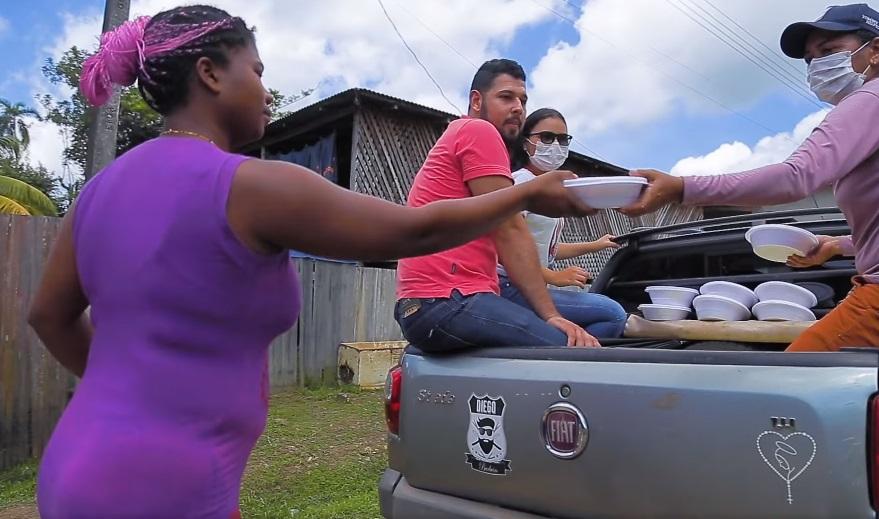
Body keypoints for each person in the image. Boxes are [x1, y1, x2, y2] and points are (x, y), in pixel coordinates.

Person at [26, 7, 595, 518]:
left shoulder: (97, 192)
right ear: (209, 73)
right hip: (164, 486)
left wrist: (128, 391)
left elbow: (47, 316)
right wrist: (525, 192)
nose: (267, 92)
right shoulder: (250, 187)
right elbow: (411, 230)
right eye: (258, 71)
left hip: (80, 464)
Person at [620, 3, 879, 353]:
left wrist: (681, 188)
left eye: (829, 51)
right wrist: (838, 245)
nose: (817, 65)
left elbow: (796, 177)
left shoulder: (868, 100)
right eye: (809, 58)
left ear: (875, 50)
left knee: (792, 383)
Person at [395, 59, 601, 352]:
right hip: (446, 300)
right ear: (476, 100)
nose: (518, 107)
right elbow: (510, 228)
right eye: (506, 97)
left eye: (523, 100)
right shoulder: (479, 131)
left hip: (432, 303)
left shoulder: (462, 135)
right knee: (569, 349)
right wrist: (551, 315)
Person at [499, 108, 627, 338]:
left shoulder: (546, 188)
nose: (555, 146)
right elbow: (503, 249)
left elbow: (547, 250)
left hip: (529, 286)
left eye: (562, 139)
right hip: (510, 285)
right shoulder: (520, 183)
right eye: (547, 138)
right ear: (526, 142)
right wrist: (554, 277)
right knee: (612, 314)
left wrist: (597, 244)